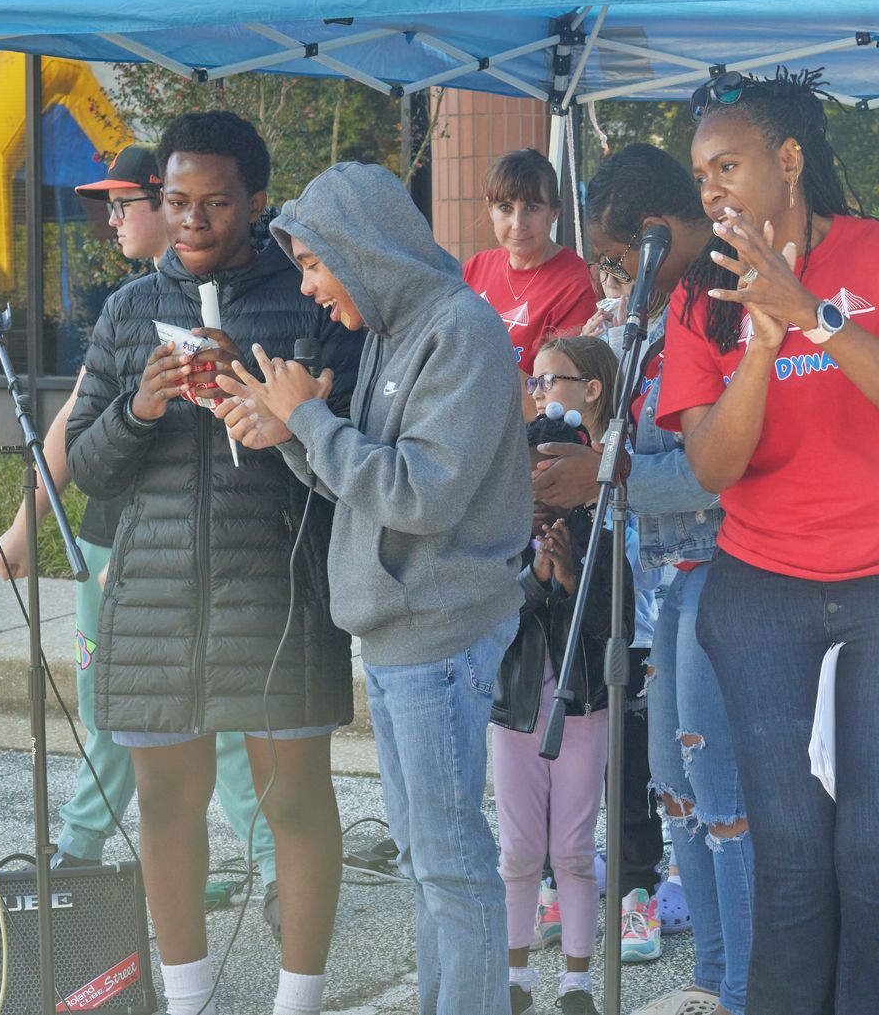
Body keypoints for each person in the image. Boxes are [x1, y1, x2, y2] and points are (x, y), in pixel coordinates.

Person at [658, 68, 879, 1015]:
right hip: (766, 593)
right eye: (700, 173)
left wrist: (811, 315)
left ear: (789, 160)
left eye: (729, 164)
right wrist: (758, 345)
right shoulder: (697, 299)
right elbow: (714, 466)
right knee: (789, 857)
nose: (711, 189)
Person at [216, 160, 532, 1015]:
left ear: (364, 247)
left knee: (450, 865)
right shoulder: (400, 328)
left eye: (316, 264)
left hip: (438, 633)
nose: (312, 288)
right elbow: (368, 488)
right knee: (432, 864)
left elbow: (421, 494)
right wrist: (290, 434)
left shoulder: (458, 329)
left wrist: (312, 419)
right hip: (402, 637)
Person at [66, 112, 361, 1015]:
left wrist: (261, 392)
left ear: (258, 202)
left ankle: (298, 1000)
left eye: (217, 202)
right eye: (176, 200)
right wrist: (140, 408)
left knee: (297, 803)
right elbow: (84, 465)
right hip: (155, 595)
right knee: (164, 806)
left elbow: (343, 461)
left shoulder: (306, 303)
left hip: (273, 589)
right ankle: (186, 997)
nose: (192, 220)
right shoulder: (124, 312)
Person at [0, 144, 281, 924]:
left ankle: (271, 862)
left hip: (177, 549)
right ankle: (88, 847)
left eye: (126, 202)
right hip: (115, 540)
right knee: (121, 703)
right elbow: (72, 428)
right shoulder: (128, 309)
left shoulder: (240, 302)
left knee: (224, 710)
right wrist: (26, 527)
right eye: (109, 205)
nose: (114, 218)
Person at [573, 141, 749, 1015]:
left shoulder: (722, 300)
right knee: (673, 788)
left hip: (724, 565)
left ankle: (746, 986)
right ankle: (711, 978)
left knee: (720, 794)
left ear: (655, 231)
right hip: (660, 585)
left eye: (615, 259)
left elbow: (715, 466)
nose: (614, 279)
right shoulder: (655, 314)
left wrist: (610, 477)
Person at [491, 335, 629, 1015]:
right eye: (531, 466)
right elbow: (488, 610)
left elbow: (615, 617)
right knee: (517, 849)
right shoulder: (503, 528)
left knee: (573, 847)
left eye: (553, 467)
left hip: (583, 700)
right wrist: (531, 576)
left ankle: (576, 980)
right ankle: (515, 974)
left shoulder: (599, 521)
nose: (541, 480)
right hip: (514, 701)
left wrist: (570, 574)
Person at [463, 147, 598, 373]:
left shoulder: (577, 284)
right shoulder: (475, 268)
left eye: (532, 208)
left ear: (554, 211)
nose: (518, 223)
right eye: (505, 208)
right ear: (490, 209)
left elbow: (555, 391)